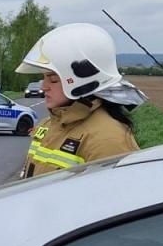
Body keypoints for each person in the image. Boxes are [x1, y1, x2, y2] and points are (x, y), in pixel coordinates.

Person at [15, 23, 144, 178]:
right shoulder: (52, 123)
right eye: (43, 78)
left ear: (83, 81)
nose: (44, 87)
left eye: (53, 79)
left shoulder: (108, 139)